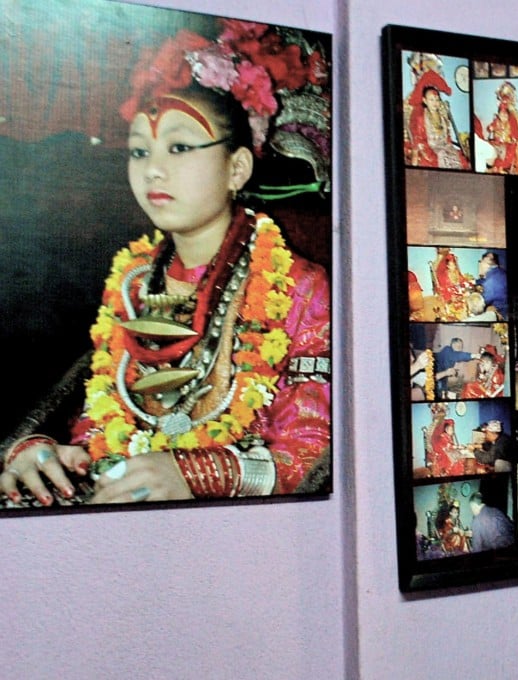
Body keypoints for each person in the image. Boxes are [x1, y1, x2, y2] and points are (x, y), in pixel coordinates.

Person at [0, 24, 332, 505]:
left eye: (178, 147)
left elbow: (313, 457)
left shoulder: (304, 290)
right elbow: (102, 422)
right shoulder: (132, 282)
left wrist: (197, 474)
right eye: (140, 150)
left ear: (236, 168)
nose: (152, 169)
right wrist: (47, 458)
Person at [405, 70, 469, 169]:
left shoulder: (442, 116)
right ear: (424, 100)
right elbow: (418, 140)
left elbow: (447, 137)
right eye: (431, 100)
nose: (434, 103)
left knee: (463, 162)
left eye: (437, 99)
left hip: (446, 148)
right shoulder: (421, 117)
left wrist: (448, 147)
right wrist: (427, 152)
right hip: (429, 148)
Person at [475, 251, 508, 319]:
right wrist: (476, 282)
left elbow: (482, 302)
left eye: (480, 262)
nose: (480, 264)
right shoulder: (498, 271)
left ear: (486, 263)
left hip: (501, 313)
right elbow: (484, 280)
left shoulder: (491, 281)